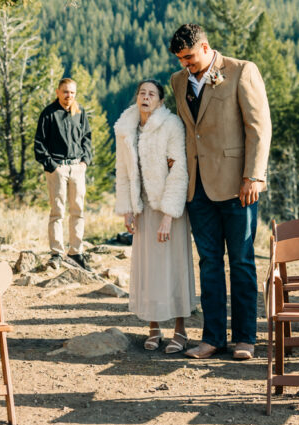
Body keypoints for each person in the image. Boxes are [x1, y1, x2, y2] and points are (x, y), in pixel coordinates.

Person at [169, 24, 271, 360]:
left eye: (190, 57)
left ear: (205, 47)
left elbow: (259, 127)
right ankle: (212, 338)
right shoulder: (178, 82)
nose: (186, 65)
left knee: (241, 261)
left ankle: (245, 338)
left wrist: (254, 176)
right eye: (181, 59)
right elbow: (189, 132)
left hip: (237, 185)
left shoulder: (242, 71)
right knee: (209, 263)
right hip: (197, 188)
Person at [114, 79, 194, 354]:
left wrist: (169, 215)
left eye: (151, 94)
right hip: (144, 207)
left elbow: (179, 169)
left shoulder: (171, 125)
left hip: (169, 207)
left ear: (161, 101)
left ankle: (181, 330)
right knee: (149, 268)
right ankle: (154, 327)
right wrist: (127, 208)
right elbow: (123, 171)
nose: (145, 97)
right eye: (141, 93)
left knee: (174, 266)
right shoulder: (126, 128)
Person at [34, 78, 93, 269]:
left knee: (78, 211)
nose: (69, 96)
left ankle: (76, 252)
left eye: (72, 92)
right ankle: (57, 253)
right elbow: (39, 144)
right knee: (57, 212)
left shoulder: (79, 112)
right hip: (57, 168)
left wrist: (85, 162)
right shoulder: (48, 114)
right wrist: (52, 166)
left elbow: (87, 138)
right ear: (58, 92)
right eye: (66, 92)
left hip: (77, 167)